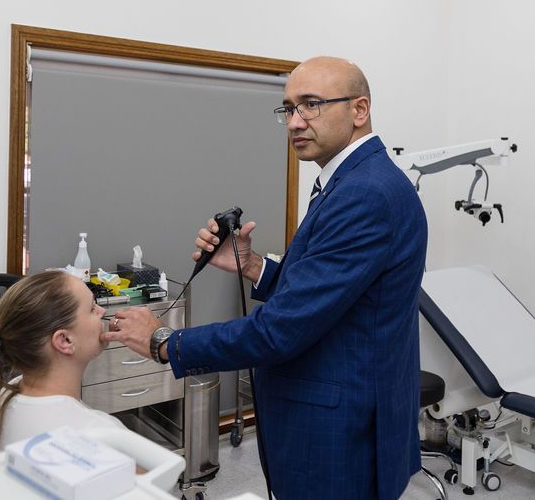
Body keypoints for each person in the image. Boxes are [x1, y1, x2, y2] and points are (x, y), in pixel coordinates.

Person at [108, 57, 428, 499]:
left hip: (339, 427)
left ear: (359, 109)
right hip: (338, 410)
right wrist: (253, 265)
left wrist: (164, 342)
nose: (294, 122)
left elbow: (280, 331)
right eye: (289, 108)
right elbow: (331, 295)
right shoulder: (350, 181)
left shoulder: (365, 193)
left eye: (311, 105)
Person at [0, 271, 124, 455]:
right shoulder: (104, 434)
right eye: (92, 308)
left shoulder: (6, 393)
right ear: (65, 340)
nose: (102, 311)